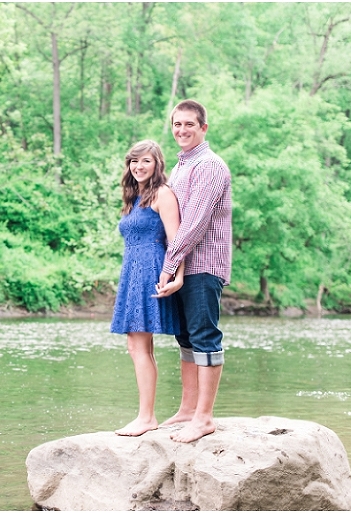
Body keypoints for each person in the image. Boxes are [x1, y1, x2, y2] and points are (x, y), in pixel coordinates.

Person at [155, 99, 232, 443]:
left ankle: (204, 417)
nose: (181, 130)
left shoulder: (211, 166)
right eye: (176, 124)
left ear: (204, 127)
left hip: (203, 265)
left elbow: (195, 223)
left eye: (189, 124)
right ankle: (187, 410)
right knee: (185, 338)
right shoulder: (181, 166)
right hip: (184, 266)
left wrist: (169, 266)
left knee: (204, 337)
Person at [111, 140, 184, 437]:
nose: (139, 166)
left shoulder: (162, 194)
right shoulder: (134, 196)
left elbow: (177, 240)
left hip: (152, 269)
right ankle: (146, 415)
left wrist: (176, 276)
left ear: (157, 165)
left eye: (146, 161)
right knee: (138, 345)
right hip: (132, 270)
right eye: (134, 161)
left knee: (138, 345)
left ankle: (146, 417)